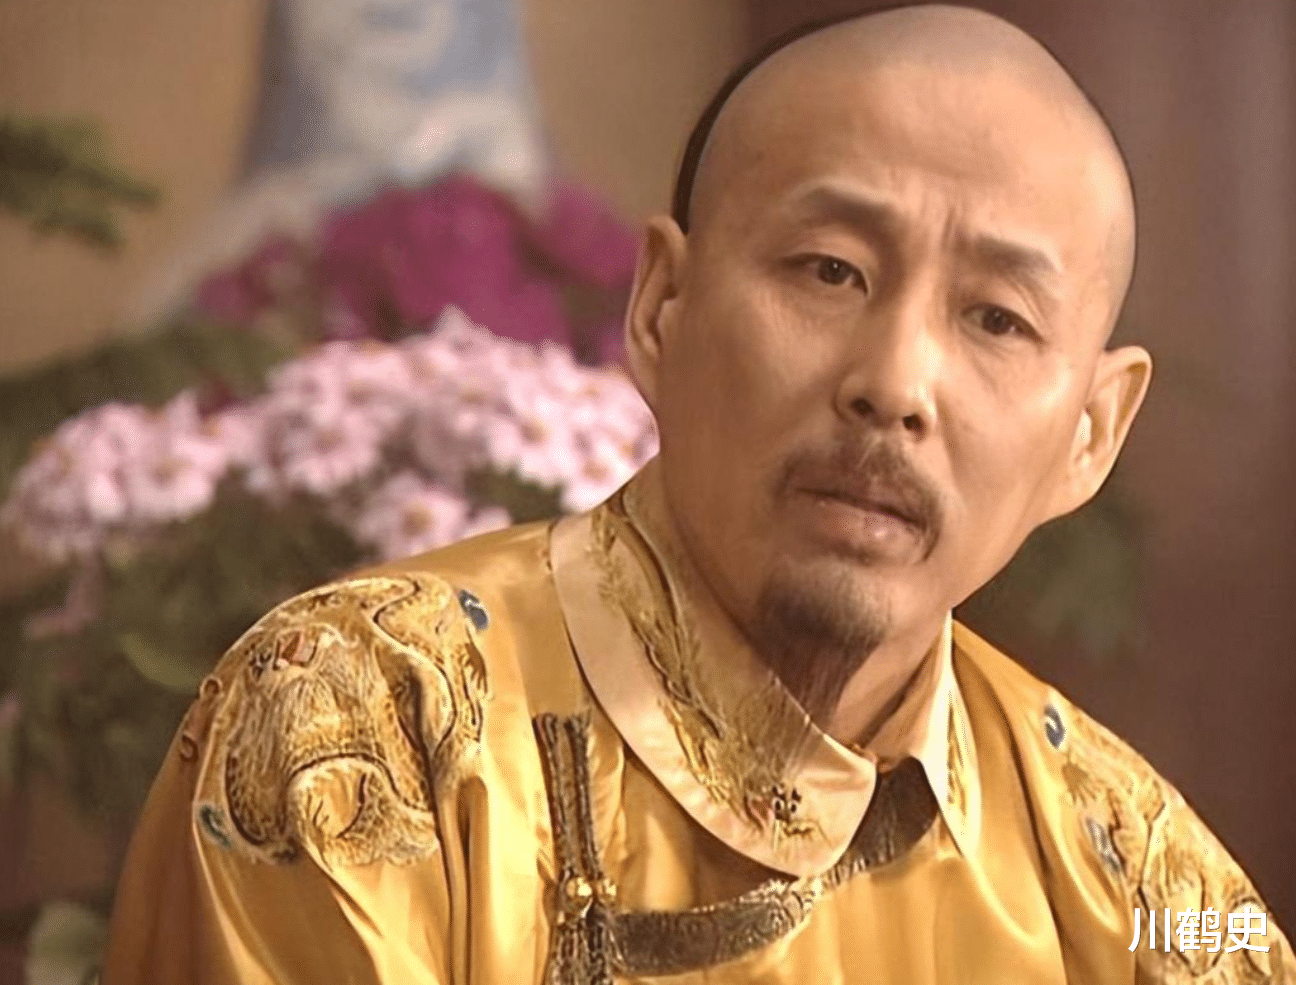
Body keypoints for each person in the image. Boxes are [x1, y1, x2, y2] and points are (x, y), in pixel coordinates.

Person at [101, 5, 1294, 983]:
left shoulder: (1149, 900)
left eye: (997, 318)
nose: (894, 384)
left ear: (1091, 434)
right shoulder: (363, 734)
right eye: (831, 270)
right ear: (662, 305)